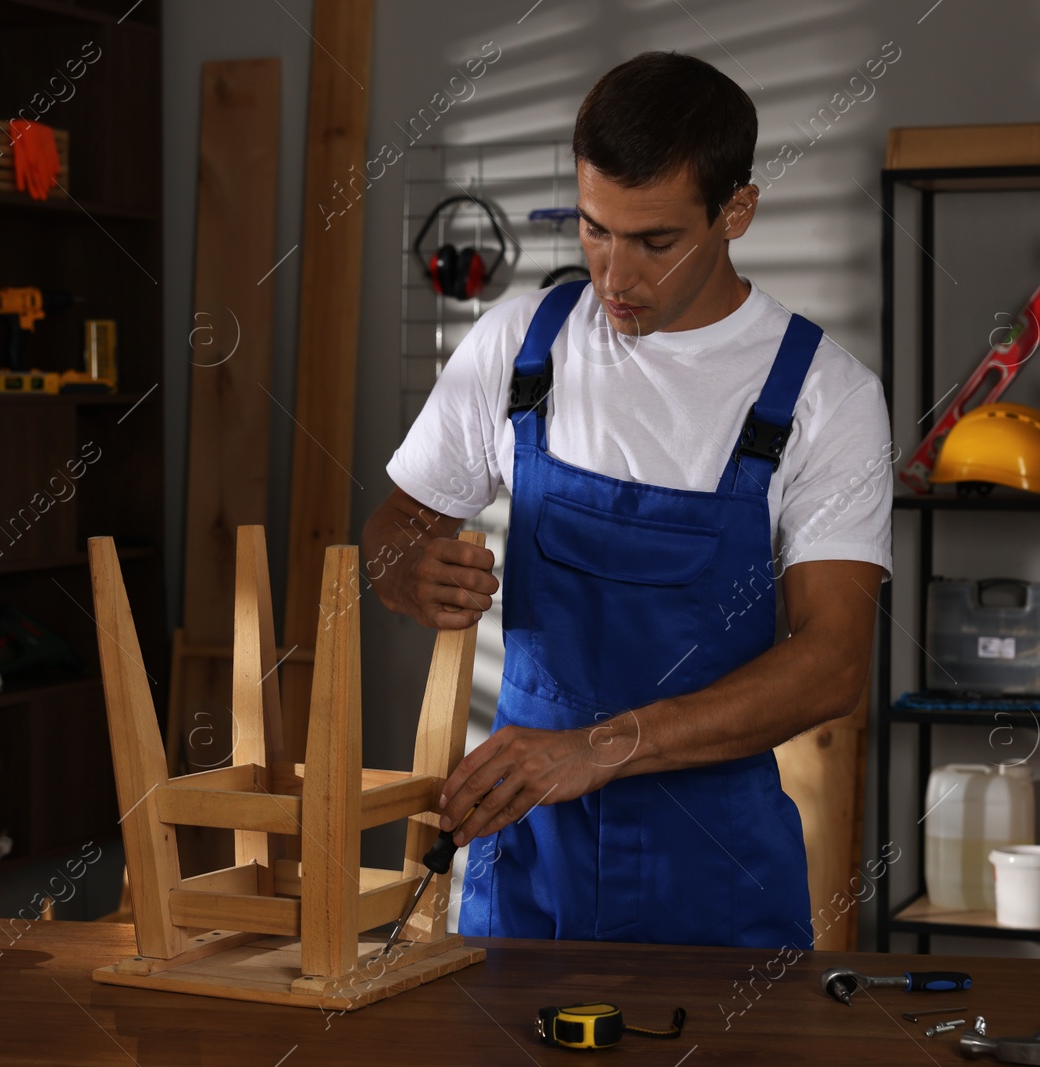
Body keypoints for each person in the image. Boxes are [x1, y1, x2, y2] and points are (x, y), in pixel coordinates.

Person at [362, 51, 892, 949]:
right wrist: (407, 571)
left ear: (738, 212)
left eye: (654, 241)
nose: (614, 276)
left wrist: (595, 749)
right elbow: (392, 530)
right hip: (523, 848)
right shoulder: (518, 347)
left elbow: (834, 662)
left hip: (715, 871)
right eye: (595, 229)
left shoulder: (822, 395)